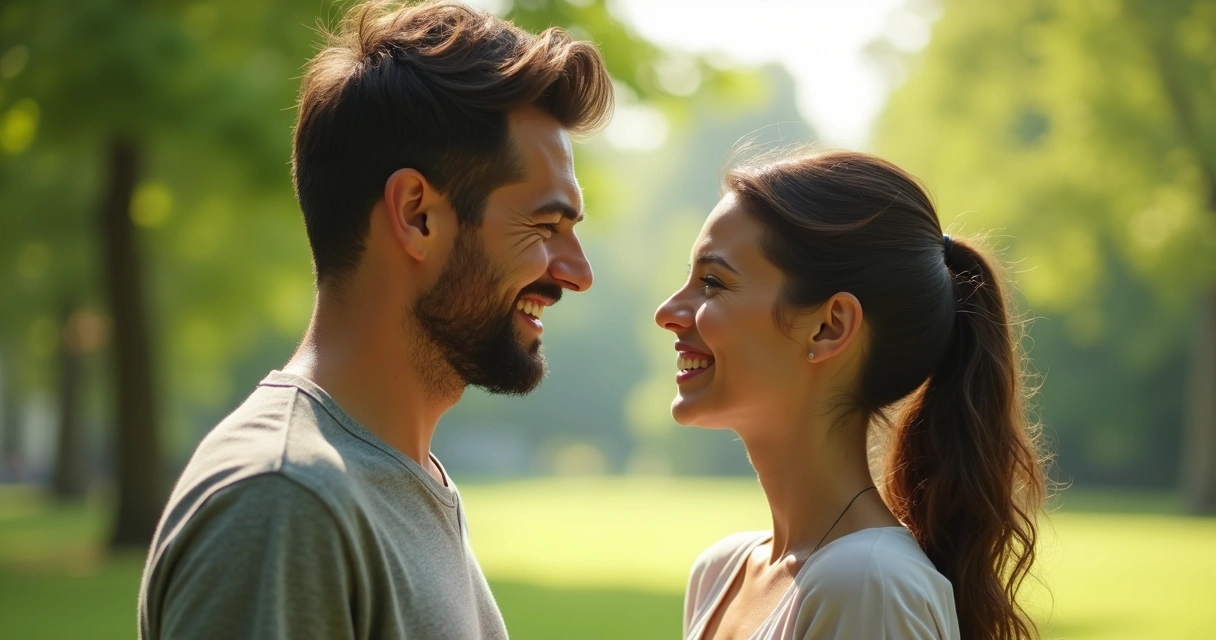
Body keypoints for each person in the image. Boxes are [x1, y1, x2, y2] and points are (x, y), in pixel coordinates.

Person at [137, 1, 612, 638]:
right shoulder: (284, 502)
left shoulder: (393, 480)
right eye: (544, 226)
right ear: (417, 215)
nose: (577, 272)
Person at [657, 150, 1048, 640]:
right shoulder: (721, 573)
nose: (667, 311)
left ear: (829, 326)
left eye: (712, 282)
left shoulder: (870, 586)